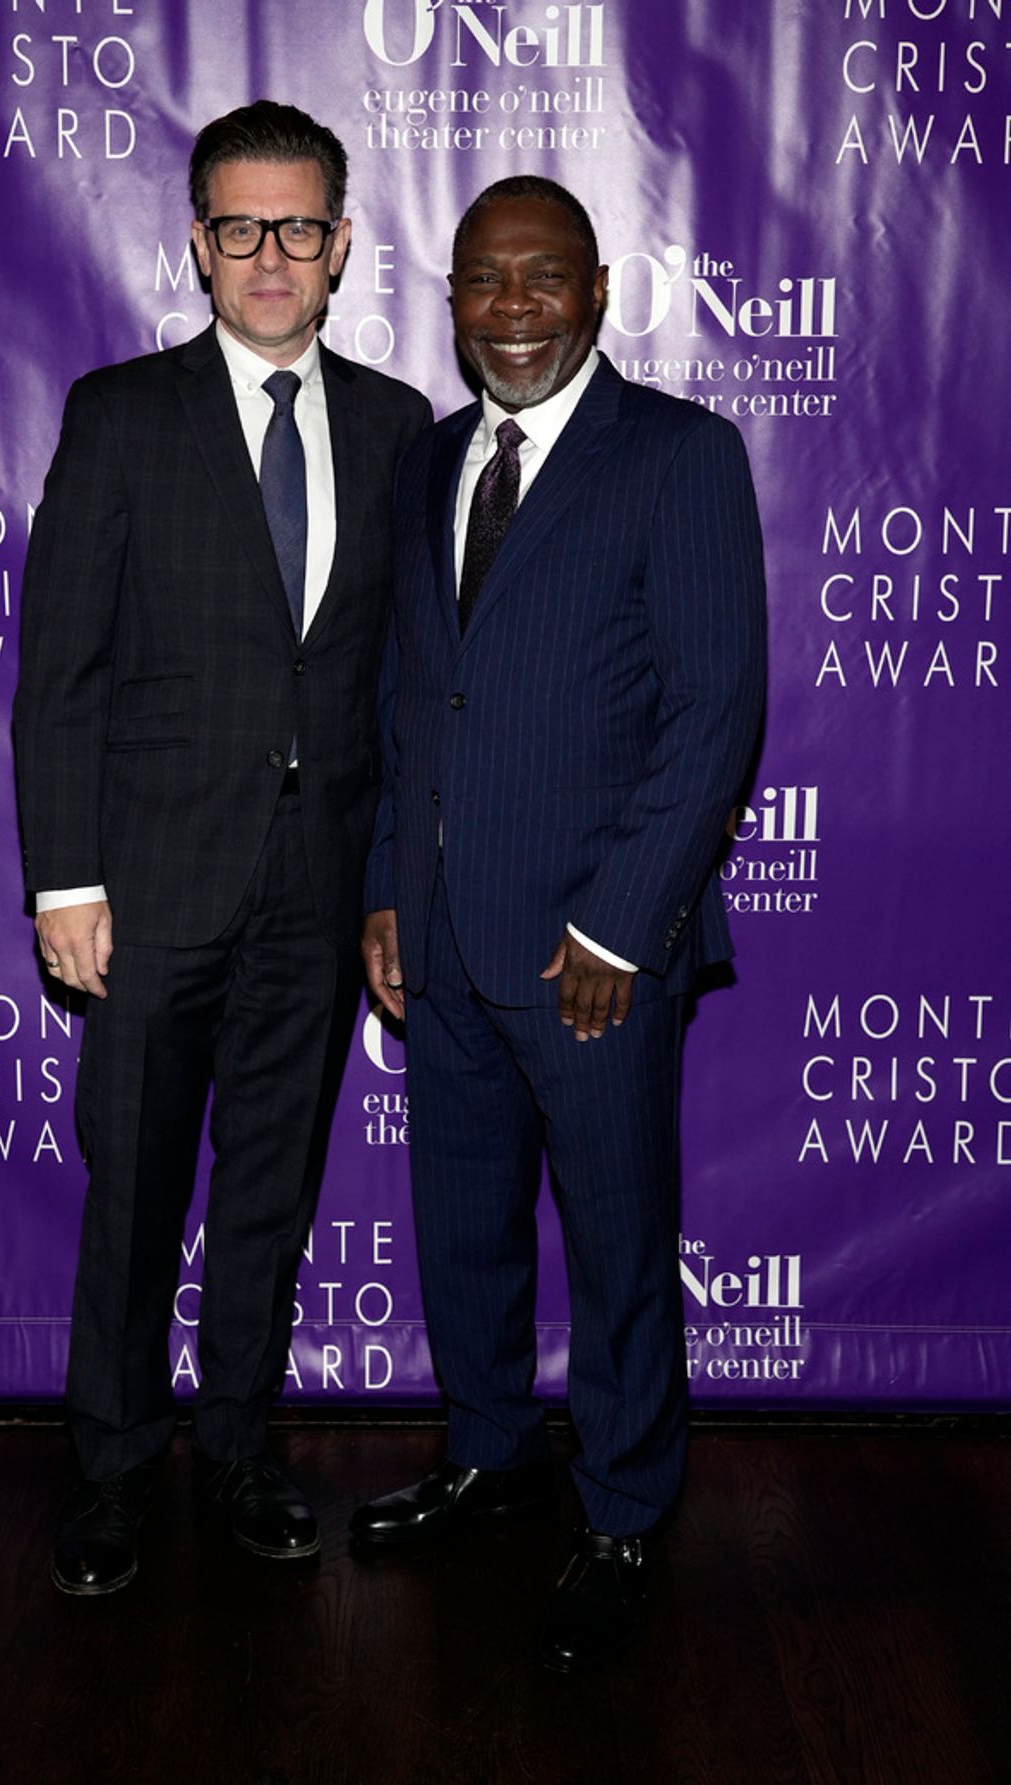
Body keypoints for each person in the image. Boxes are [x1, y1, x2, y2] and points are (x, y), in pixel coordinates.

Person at [12, 100, 430, 1596]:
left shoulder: (396, 429)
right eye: (240, 227)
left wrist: (391, 886)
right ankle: (115, 1464)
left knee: (270, 1187)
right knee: (131, 1193)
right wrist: (65, 880)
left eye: (298, 228)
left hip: (316, 897)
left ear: (339, 246)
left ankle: (243, 1444)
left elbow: (404, 685)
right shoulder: (121, 414)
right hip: (148, 892)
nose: (269, 256)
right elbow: (60, 670)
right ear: (198, 244)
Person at [351, 175, 766, 1673]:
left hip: (595, 953)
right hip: (446, 937)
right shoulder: (430, 461)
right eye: (482, 280)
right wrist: (388, 884)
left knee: (616, 1238)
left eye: (541, 277)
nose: (511, 307)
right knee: (463, 1222)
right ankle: (488, 1450)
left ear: (596, 290)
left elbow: (716, 714)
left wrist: (619, 928)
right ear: (450, 299)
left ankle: (626, 1508)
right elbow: (414, 700)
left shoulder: (680, 454)